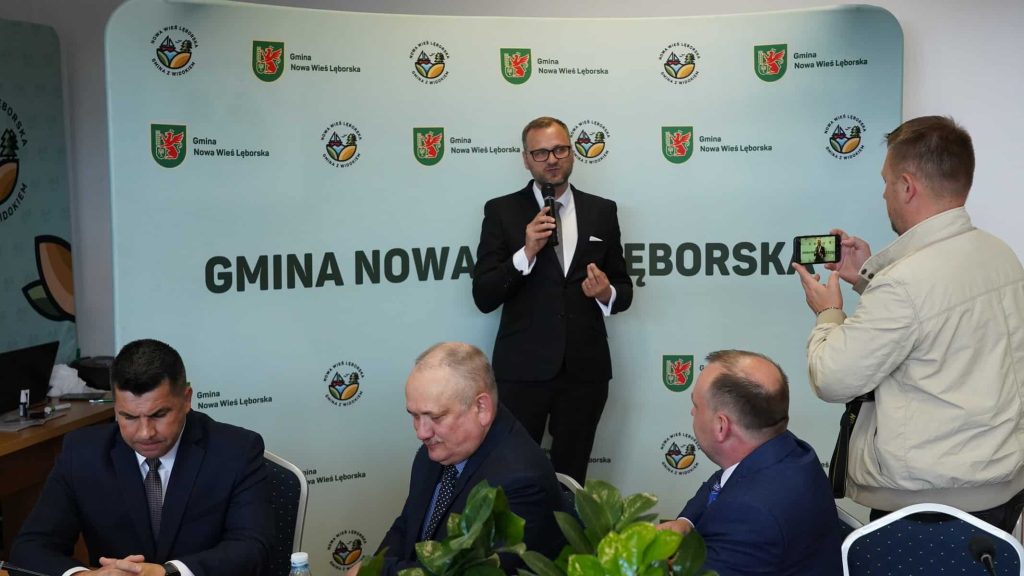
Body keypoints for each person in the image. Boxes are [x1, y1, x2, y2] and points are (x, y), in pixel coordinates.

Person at [793, 116, 1024, 530]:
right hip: (1000, 487)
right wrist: (869, 278)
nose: (884, 192)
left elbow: (832, 378)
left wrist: (828, 313)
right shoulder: (999, 254)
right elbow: (937, 323)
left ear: (907, 185)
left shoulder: (906, 283)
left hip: (931, 505)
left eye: (886, 181)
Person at [10, 339, 274, 576]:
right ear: (115, 408)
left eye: (159, 415)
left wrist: (168, 573)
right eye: (129, 417)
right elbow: (31, 547)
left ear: (186, 399)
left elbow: (252, 548)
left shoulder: (236, 450)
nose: (145, 433)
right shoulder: (82, 453)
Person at [472, 116, 633, 482]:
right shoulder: (501, 211)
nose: (552, 159)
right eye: (541, 153)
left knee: (572, 477)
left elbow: (623, 289)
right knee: (513, 474)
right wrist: (525, 252)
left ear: (572, 153)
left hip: (585, 371)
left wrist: (605, 293)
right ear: (526, 159)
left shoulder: (602, 211)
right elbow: (484, 295)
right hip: (521, 371)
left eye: (560, 149)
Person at [359, 342, 565, 576]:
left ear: (481, 408)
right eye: (415, 416)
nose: (421, 433)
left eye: (436, 417)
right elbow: (407, 525)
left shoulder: (522, 481)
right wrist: (370, 569)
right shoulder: (438, 450)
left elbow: (470, 572)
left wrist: (382, 573)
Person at [658, 350, 842, 576]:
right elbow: (719, 483)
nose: (692, 411)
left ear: (721, 426)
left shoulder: (747, 515)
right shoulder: (788, 450)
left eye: (696, 405)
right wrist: (686, 522)